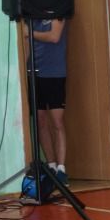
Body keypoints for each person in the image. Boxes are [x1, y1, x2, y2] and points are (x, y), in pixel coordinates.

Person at [30, 16, 69, 178]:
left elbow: (54, 36)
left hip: (54, 74)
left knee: (57, 121)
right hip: (34, 73)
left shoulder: (58, 11)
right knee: (40, 121)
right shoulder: (30, 17)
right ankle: (51, 166)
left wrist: (30, 33)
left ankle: (61, 169)